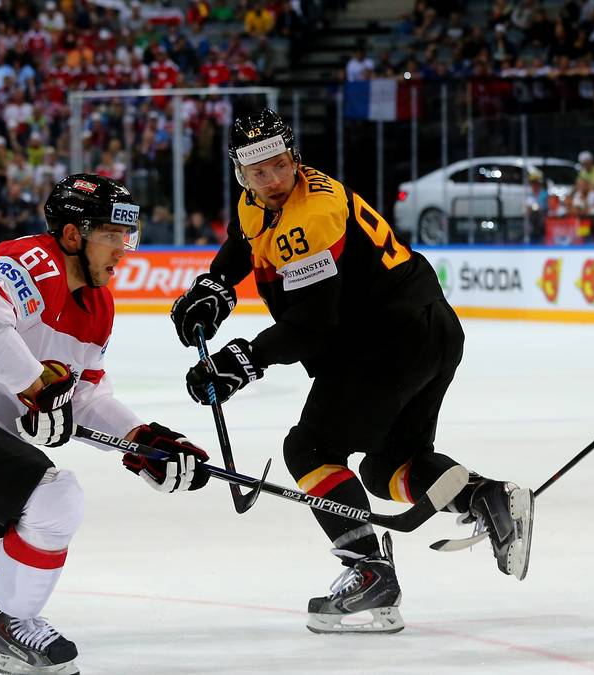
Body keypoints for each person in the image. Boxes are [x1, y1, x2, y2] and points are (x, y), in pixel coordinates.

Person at [170, 109, 534, 634]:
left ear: (293, 157)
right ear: (240, 174)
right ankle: (487, 498)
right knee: (387, 468)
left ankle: (369, 573)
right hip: (427, 327)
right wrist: (217, 288)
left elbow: (313, 326)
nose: (271, 180)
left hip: (385, 342)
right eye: (257, 171)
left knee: (311, 450)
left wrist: (243, 360)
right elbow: (242, 239)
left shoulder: (310, 217)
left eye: (278, 165)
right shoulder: (263, 200)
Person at [0, 174, 211, 675]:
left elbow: (85, 392)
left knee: (14, 514)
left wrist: (140, 440)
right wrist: (34, 387)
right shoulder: (34, 263)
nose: (123, 251)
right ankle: (13, 621)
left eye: (127, 237)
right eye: (111, 236)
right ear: (72, 235)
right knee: (54, 498)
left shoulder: (97, 302)